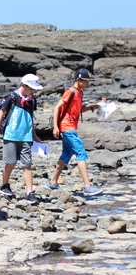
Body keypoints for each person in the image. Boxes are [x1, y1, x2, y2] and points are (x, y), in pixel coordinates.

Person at [47, 68, 103, 196]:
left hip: (70, 127)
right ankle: (87, 186)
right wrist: (56, 127)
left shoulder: (80, 93)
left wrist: (91, 107)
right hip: (67, 127)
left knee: (66, 154)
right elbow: (57, 107)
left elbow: (76, 110)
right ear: (78, 80)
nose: (88, 84)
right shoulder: (70, 92)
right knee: (80, 151)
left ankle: (53, 182)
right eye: (86, 81)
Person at [0, 74, 43, 205]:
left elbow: (31, 117)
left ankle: (30, 193)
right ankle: (4, 185)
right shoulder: (12, 98)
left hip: (26, 136)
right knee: (10, 163)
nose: (33, 91)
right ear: (24, 85)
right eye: (31, 89)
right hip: (11, 135)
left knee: (27, 165)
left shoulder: (32, 100)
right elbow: (1, 114)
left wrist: (34, 134)